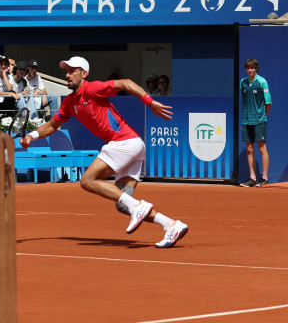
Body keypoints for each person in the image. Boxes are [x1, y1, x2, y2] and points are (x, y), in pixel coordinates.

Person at [20, 56, 188, 248]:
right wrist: (31, 137)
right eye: (66, 71)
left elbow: (126, 83)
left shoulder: (92, 88)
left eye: (72, 71)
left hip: (124, 142)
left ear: (84, 74)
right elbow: (51, 126)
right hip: (133, 145)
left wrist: (149, 102)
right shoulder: (69, 102)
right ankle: (171, 225)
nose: (67, 75)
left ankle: (138, 207)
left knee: (88, 181)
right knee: (123, 204)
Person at [240, 58, 272, 187]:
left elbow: (268, 103)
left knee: (261, 148)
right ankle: (252, 178)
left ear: (256, 68)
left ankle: (264, 178)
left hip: (259, 120)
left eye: (252, 67)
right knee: (249, 149)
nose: (250, 70)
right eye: (248, 67)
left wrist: (263, 116)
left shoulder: (262, 82)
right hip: (247, 120)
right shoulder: (243, 82)